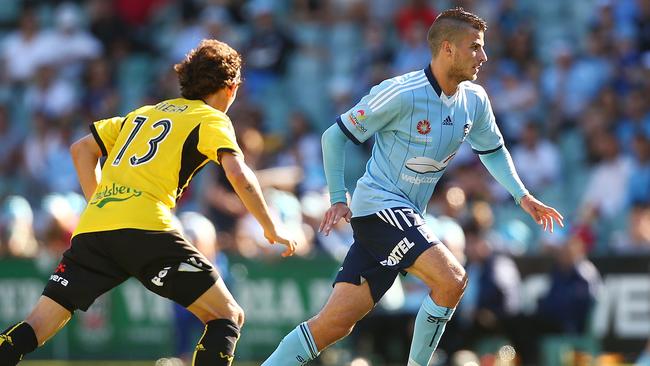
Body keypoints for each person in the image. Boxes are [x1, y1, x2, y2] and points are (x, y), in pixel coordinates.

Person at [262, 8, 563, 366]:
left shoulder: (475, 100)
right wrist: (338, 198)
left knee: (333, 325)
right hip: (379, 208)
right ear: (447, 48)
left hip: (404, 216)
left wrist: (522, 195)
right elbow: (333, 137)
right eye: (475, 47)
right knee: (452, 280)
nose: (483, 56)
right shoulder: (400, 93)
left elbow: (493, 151)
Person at [0, 39, 297, 366]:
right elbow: (239, 175)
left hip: (95, 229)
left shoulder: (143, 113)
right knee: (226, 315)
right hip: (147, 229)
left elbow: (81, 149)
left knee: (36, 326)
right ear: (231, 87)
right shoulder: (211, 118)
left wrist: (101, 203)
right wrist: (271, 227)